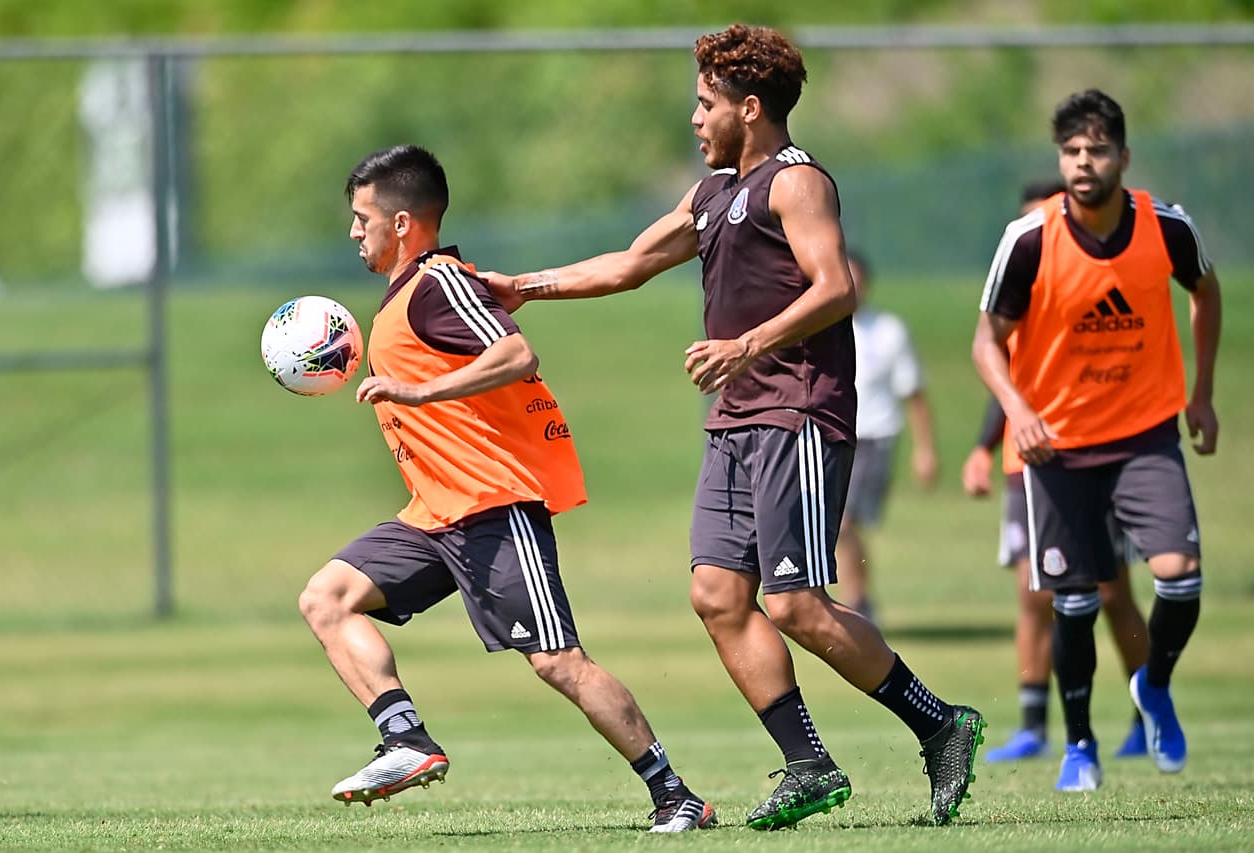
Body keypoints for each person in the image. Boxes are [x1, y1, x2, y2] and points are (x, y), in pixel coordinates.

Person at [484, 24, 984, 829]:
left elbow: (837, 286)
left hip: (799, 410)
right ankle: (809, 764)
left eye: (705, 102)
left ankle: (940, 723)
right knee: (717, 594)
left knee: (794, 604)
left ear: (749, 108)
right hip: (737, 418)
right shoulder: (713, 192)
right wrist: (525, 285)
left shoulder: (798, 182)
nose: (694, 117)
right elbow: (630, 262)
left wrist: (746, 343)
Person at [297, 145, 715, 833]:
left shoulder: (439, 281)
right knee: (326, 597)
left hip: (491, 507)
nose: (353, 231)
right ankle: (406, 739)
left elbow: (517, 353)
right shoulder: (407, 295)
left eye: (361, 217)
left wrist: (417, 389)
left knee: (558, 662)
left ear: (403, 222)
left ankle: (677, 795)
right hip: (433, 514)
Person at [973, 90, 1220, 792]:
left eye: (1098, 150)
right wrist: (1016, 410)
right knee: (1074, 601)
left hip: (1146, 435)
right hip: (1059, 447)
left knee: (1180, 572)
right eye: (1073, 152)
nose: (1084, 163)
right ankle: (1079, 743)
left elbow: (1207, 292)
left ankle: (1155, 684)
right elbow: (986, 342)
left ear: (1124, 157)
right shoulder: (1028, 237)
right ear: (1061, 159)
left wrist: (1200, 394)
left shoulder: (1166, 227)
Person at [963, 180, 1150, 763]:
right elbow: (1006, 378)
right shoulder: (1012, 294)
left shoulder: (1081, 294)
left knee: (1112, 589)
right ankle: (1034, 726)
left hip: (1090, 456)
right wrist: (981, 447)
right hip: (1028, 467)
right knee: (1033, 594)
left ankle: (1149, 713)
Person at [835, 250, 939, 621]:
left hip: (874, 439)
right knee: (841, 526)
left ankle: (859, 603)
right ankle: (860, 601)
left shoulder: (889, 331)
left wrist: (925, 450)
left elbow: (915, 394)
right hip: (832, 437)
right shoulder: (821, 327)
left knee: (845, 523)